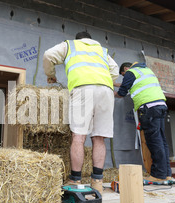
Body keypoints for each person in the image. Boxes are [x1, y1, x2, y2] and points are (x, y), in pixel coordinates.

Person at [43, 31, 119, 194]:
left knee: (79, 136)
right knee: (99, 137)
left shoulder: (70, 45)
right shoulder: (102, 50)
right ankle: (97, 181)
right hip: (105, 90)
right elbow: (115, 70)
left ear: (79, 39)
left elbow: (48, 55)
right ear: (91, 40)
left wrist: (51, 75)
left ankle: (75, 180)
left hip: (83, 88)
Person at [114, 62, 172, 181]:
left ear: (126, 69)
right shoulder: (146, 71)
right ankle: (167, 174)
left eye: (123, 75)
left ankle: (158, 175)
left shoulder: (131, 72)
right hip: (160, 106)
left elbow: (122, 93)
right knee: (161, 140)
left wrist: (110, 94)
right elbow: (128, 84)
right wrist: (115, 83)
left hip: (149, 108)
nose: (124, 77)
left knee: (154, 141)